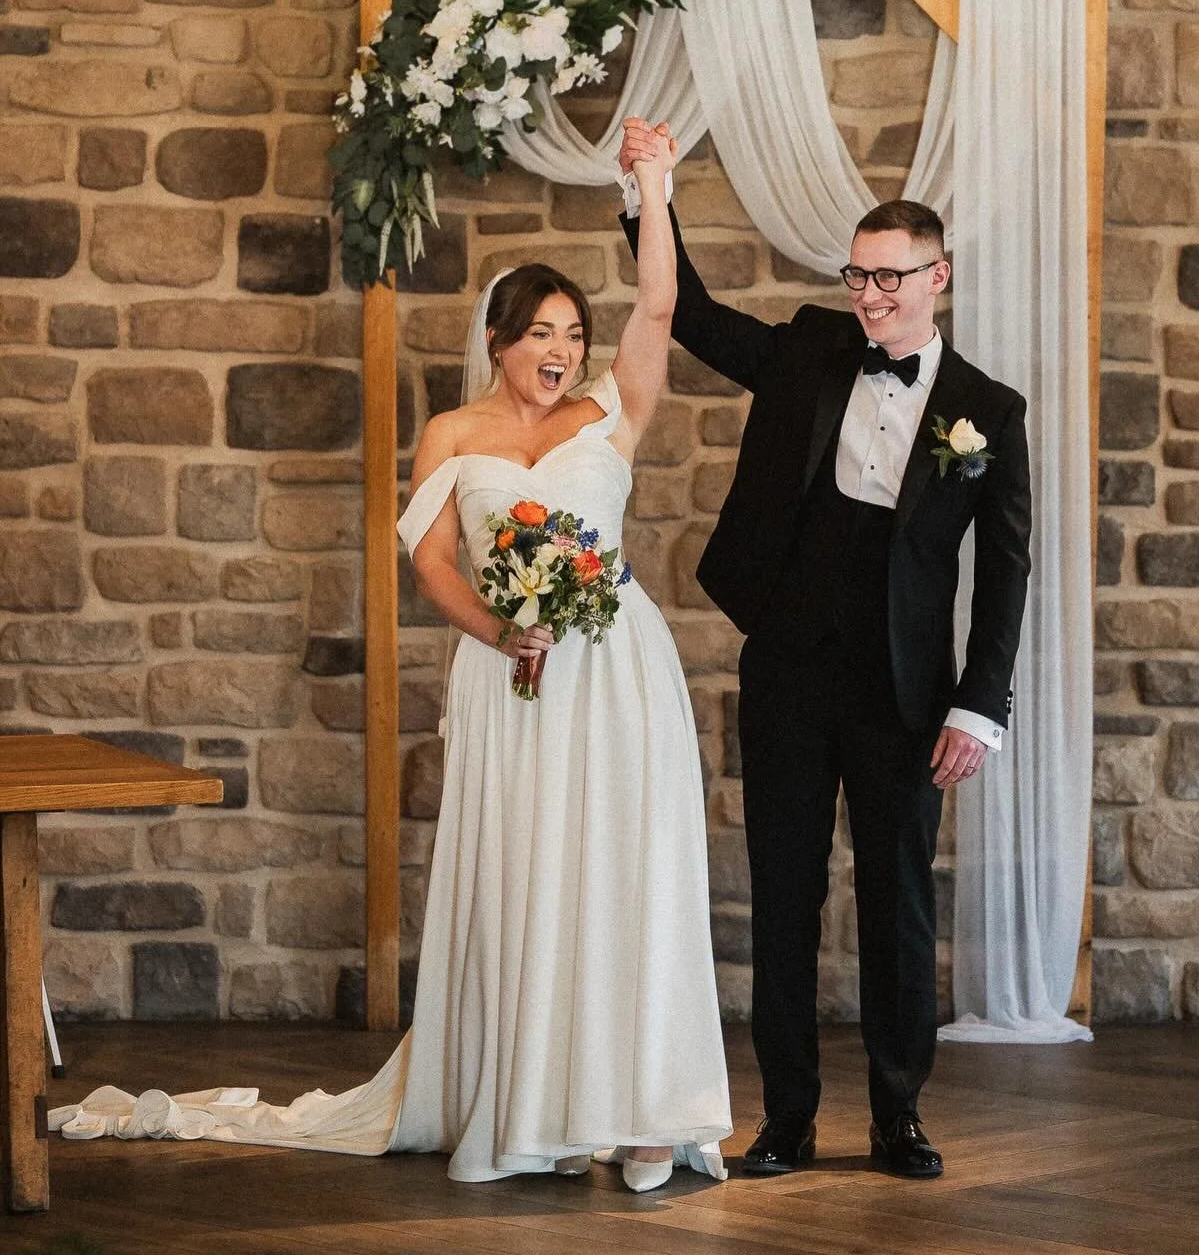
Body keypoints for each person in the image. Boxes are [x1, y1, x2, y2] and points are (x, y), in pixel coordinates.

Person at [51, 126, 731, 1194]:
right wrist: (504, 632)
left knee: (626, 873)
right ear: (499, 341)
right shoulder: (452, 437)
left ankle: (645, 1113)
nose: (559, 350)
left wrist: (652, 184)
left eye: (569, 334)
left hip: (617, 674)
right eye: (539, 333)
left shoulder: (613, 413)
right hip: (513, 678)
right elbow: (433, 569)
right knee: (530, 880)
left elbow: (657, 307)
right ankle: (525, 1103)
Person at [617, 120, 1031, 1183]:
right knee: (783, 891)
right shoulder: (808, 349)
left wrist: (979, 705)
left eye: (891, 277)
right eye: (858, 276)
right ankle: (785, 1118)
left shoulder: (989, 411)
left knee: (899, 901)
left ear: (938, 274)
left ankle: (900, 1116)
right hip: (790, 670)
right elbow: (697, 317)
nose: (871, 296)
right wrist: (649, 193)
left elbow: (1007, 569)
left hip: (906, 692)